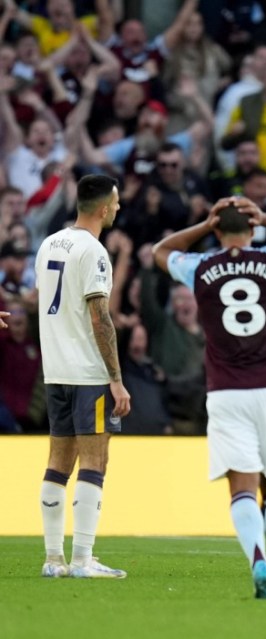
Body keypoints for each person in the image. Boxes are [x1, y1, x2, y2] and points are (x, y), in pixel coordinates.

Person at [152, 197, 266, 599]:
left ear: (217, 231)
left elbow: (160, 252)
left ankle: (257, 559)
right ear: (252, 231)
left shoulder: (200, 267)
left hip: (227, 392)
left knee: (242, 489)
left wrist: (202, 225)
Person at [35, 174, 132, 579]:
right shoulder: (94, 252)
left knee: (58, 463)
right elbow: (98, 316)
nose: (119, 208)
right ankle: (82, 560)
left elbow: (48, 302)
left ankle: (53, 559)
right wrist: (115, 377)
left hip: (55, 370)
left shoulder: (48, 244)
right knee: (95, 461)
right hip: (88, 372)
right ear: (105, 207)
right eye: (117, 202)